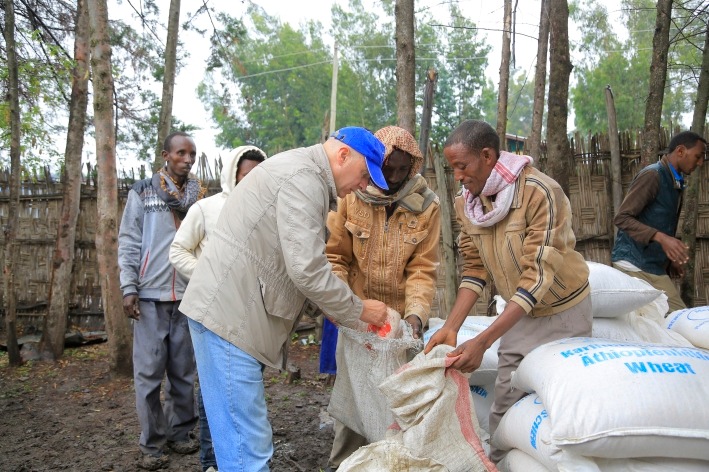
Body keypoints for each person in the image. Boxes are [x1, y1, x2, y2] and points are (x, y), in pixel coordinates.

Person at [178, 127, 390, 472]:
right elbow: (306, 268)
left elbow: (286, 262)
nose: (363, 186)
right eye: (365, 175)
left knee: (237, 441)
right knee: (248, 449)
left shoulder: (300, 171)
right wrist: (359, 309)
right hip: (231, 318)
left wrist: (331, 308)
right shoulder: (305, 178)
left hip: (228, 314)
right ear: (343, 155)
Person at [424, 120, 592, 464]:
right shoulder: (466, 202)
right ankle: (498, 464)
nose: (457, 175)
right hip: (520, 315)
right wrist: (452, 327)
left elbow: (536, 278)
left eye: (462, 165)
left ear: (487, 156)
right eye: (451, 167)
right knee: (506, 400)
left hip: (563, 311)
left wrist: (483, 340)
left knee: (561, 403)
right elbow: (474, 268)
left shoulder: (539, 192)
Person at [323, 126, 441, 470]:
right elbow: (336, 257)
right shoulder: (353, 194)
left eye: (401, 170)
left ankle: (390, 461)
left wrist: (415, 316)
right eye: (386, 168)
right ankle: (345, 463)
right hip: (358, 315)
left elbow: (423, 268)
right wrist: (347, 306)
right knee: (354, 395)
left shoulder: (426, 206)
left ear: (412, 168)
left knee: (396, 398)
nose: (391, 177)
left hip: (398, 322)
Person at [169, 145, 267, 472]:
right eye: (246, 175)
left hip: (252, 316)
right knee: (215, 390)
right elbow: (179, 251)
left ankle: (237, 457)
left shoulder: (268, 212)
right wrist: (210, 276)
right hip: (213, 313)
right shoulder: (207, 209)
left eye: (259, 175)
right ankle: (212, 461)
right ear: (233, 174)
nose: (252, 181)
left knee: (243, 393)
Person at [118, 131, 206, 471]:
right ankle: (152, 444)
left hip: (187, 296)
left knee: (183, 373)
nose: (187, 159)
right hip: (150, 298)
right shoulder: (143, 192)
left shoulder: (198, 197)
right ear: (166, 155)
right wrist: (129, 288)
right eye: (181, 153)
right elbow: (128, 241)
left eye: (192, 154)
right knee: (149, 376)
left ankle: (180, 433)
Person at [611, 131, 707, 314]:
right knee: (676, 318)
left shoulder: (675, 181)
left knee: (664, 320)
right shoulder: (653, 175)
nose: (700, 163)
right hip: (634, 263)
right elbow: (622, 218)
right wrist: (662, 239)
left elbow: (658, 221)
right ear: (680, 151)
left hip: (652, 265)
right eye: (698, 156)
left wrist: (669, 260)